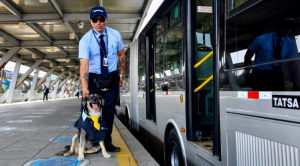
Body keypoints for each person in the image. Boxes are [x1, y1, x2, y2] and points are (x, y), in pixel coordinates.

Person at [77, 6, 125, 152]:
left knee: (109, 111)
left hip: (111, 76)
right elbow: (84, 66)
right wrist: (85, 88)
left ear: (106, 20)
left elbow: (121, 55)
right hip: (93, 78)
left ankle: (107, 141)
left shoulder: (115, 35)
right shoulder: (85, 40)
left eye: (101, 19)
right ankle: (87, 141)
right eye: (95, 20)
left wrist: (121, 75)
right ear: (90, 21)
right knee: (87, 110)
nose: (98, 22)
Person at [244, 18, 298, 91]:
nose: (289, 30)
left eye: (290, 28)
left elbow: (293, 64)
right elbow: (248, 55)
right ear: (277, 27)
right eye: (286, 27)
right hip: (260, 75)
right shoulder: (261, 39)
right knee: (260, 100)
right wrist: (247, 74)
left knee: (279, 98)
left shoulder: (291, 44)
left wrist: (296, 82)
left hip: (277, 74)